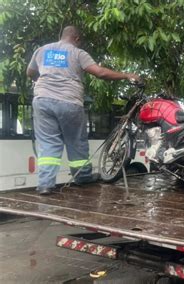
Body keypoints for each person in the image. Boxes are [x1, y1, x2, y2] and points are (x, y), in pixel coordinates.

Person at [26, 26, 140, 195]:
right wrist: (127, 75)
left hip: (42, 101)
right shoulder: (77, 53)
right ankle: (82, 177)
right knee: (76, 142)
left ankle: (45, 185)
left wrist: (46, 82)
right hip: (69, 102)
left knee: (48, 145)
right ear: (77, 39)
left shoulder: (41, 50)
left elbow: (30, 72)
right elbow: (100, 73)